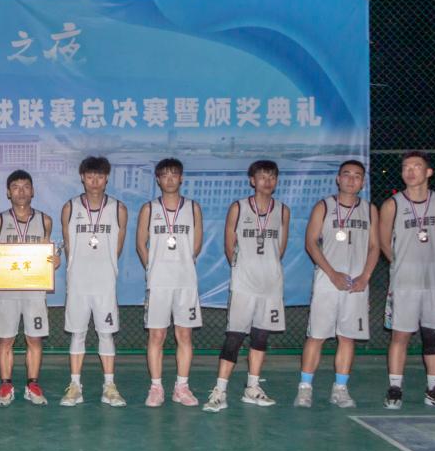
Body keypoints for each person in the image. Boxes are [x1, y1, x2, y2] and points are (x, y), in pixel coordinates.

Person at [203, 160, 289, 413]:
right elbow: (229, 245)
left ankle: (252, 387)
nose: (267, 181)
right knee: (235, 336)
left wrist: (267, 269)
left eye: (272, 177)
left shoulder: (282, 210)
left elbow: (280, 248)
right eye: (262, 176)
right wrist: (243, 269)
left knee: (261, 336)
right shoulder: (238, 208)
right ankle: (220, 390)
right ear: (252, 180)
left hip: (271, 284)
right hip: (244, 284)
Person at [295, 160, 379, 408]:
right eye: (347, 174)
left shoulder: (369, 210)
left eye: (357, 176)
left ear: (362, 182)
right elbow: (311, 242)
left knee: (347, 337)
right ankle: (305, 388)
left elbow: (375, 246)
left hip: (356, 283)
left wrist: (365, 276)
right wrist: (332, 273)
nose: (351, 180)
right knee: (317, 336)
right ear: (338, 179)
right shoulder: (324, 206)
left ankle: (340, 389)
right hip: (327, 281)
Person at [379, 151, 435, 410]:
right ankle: (395, 388)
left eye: (416, 166)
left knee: (433, 336)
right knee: (400, 335)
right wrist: (404, 264)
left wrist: (428, 261)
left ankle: (434, 390)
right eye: (406, 167)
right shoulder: (392, 205)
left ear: (428, 172)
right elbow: (384, 243)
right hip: (404, 283)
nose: (410, 171)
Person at [0, 170, 59, 407]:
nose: (21, 191)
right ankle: (6, 386)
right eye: (15, 187)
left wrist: (54, 260)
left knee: (34, 338)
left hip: (35, 290)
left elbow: (48, 254)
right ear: (8, 192)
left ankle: (32, 384)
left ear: (33, 191)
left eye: (26, 186)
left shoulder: (45, 220)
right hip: (8, 291)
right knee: (6, 339)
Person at [60, 156, 128, 408]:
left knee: (106, 334)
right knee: (77, 333)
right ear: (82, 178)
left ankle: (109, 386)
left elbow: (117, 248)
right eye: (90, 176)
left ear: (106, 178)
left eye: (99, 176)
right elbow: (69, 246)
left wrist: (102, 267)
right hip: (78, 282)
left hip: (104, 283)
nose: (95, 181)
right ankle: (75, 386)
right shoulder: (70, 207)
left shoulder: (119, 209)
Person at [135, 158, 203, 408]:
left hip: (186, 282)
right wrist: (152, 268)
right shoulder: (149, 209)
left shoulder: (193, 208)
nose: (170, 179)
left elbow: (197, 244)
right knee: (157, 335)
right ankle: (156, 387)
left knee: (184, 334)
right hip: (158, 283)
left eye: (174, 174)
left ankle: (181, 387)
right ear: (158, 179)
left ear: (181, 178)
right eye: (165, 175)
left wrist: (183, 263)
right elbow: (140, 243)